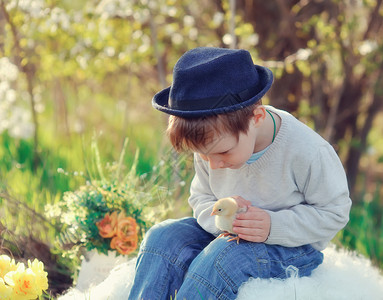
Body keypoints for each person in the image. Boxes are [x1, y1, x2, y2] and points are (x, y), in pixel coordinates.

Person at [128, 47, 352, 300]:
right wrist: (220, 222)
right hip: (228, 235)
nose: (213, 165)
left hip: (290, 246)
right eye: (203, 155)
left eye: (222, 153)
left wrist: (272, 226)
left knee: (225, 257)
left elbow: (334, 212)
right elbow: (201, 198)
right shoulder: (212, 144)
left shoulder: (307, 151)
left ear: (256, 118)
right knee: (163, 237)